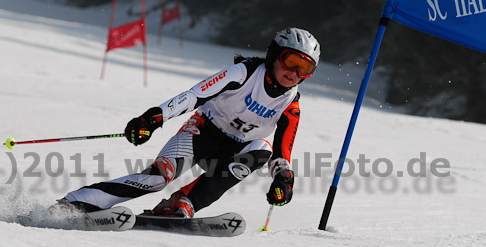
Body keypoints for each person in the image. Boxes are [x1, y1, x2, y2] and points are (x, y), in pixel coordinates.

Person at [59, 27, 320, 218]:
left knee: (262, 150)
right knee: (157, 179)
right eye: (291, 61)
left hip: (237, 150)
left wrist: (284, 179)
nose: (295, 73)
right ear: (275, 55)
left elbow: (282, 153)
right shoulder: (244, 72)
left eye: (305, 69)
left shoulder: (291, 104)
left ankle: (183, 202)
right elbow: (194, 96)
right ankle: (76, 203)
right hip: (202, 134)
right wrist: (154, 118)